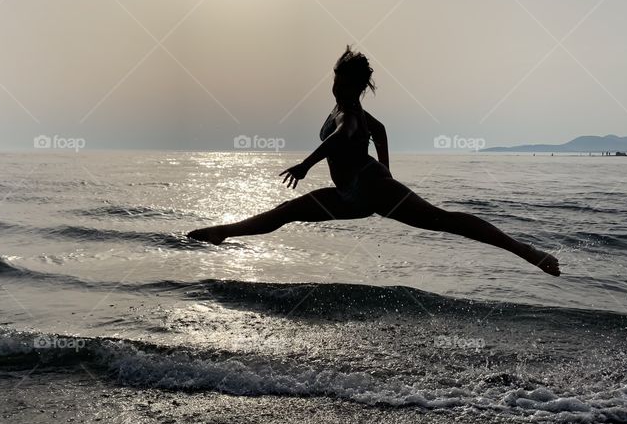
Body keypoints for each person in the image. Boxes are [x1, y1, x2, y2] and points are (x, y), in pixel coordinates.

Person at [188, 46, 561, 276]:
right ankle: (224, 231)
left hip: (368, 187)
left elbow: (344, 135)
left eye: (339, 81)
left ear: (352, 85)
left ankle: (528, 252)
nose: (334, 86)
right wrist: (386, 168)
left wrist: (306, 165)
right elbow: (379, 131)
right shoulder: (350, 107)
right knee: (288, 211)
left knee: (443, 221)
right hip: (356, 190)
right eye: (334, 80)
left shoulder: (348, 110)